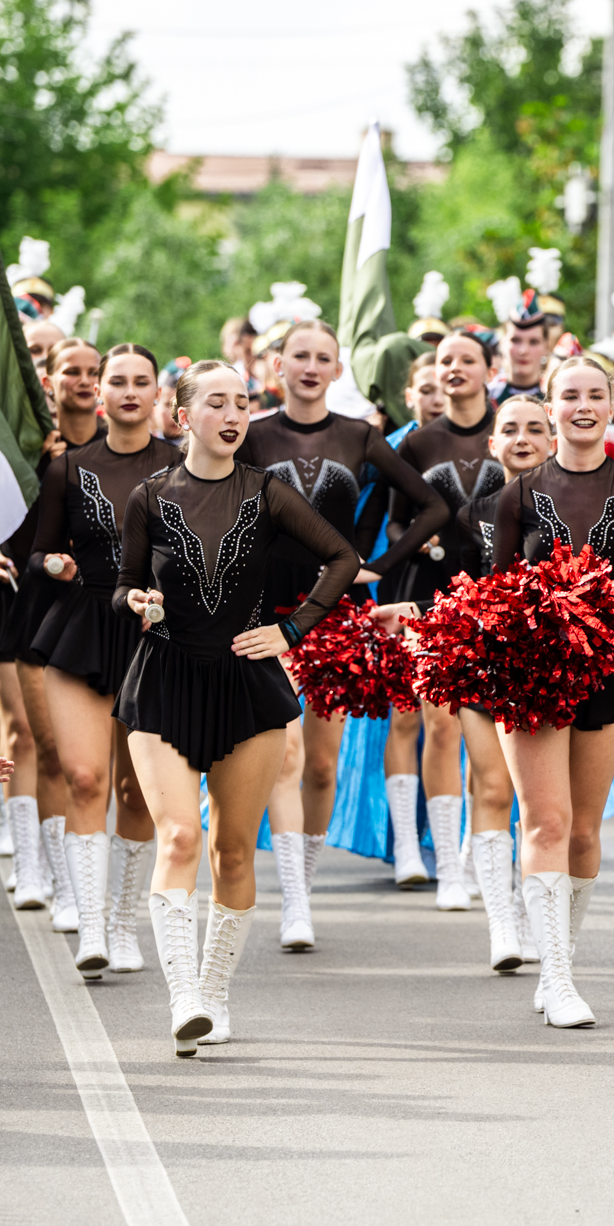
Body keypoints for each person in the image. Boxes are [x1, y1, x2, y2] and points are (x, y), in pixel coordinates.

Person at [114, 360, 361, 1055]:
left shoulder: (268, 492)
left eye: (242, 402)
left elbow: (342, 558)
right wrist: (136, 601)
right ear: (182, 416)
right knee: (178, 838)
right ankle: (183, 998)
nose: (232, 414)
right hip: (162, 680)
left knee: (230, 848)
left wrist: (292, 630)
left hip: (248, 685)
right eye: (216, 402)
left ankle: (215, 992)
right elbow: (123, 584)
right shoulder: (148, 497)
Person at [238, 321, 447, 948]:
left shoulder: (359, 436)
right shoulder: (252, 435)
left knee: (323, 766)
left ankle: (302, 884)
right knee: (286, 754)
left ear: (337, 369)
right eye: (299, 355)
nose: (310, 366)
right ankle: (294, 903)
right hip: (265, 612)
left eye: (322, 357)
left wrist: (376, 564)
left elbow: (433, 505)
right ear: (278, 365)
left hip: (334, 614)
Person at [480, 355, 614, 1027]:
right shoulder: (517, 494)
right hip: (528, 670)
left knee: (584, 831)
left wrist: (590, 614)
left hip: (608, 666)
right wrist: (542, 618)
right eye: (569, 396)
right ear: (550, 408)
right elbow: (497, 590)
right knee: (546, 821)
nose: (583, 406)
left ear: (611, 406)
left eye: (595, 395)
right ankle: (556, 977)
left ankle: (564, 953)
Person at [26, 344, 179, 979]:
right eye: (118, 381)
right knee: (85, 778)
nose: (128, 391)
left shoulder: (182, 464)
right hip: (84, 627)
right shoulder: (67, 467)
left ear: (158, 393)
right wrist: (53, 563)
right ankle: (91, 924)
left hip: (157, 635)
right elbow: (38, 553)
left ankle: (121, 922)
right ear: (102, 393)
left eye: (141, 381)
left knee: (137, 791)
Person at [375, 333, 505, 910]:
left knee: (487, 731)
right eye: (446, 360)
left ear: (489, 370)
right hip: (427, 595)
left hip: (496, 597)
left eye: (467, 360)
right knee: (436, 724)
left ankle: (477, 854)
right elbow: (395, 522)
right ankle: (437, 860)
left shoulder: (511, 429)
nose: (455, 368)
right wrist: (419, 543)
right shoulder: (417, 443)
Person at [0, 335, 105, 934]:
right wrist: (38, 466)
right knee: (54, 755)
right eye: (72, 371)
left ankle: (102, 898)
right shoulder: (31, 454)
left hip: (107, 618)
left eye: (94, 371)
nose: (84, 381)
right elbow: (19, 541)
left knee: (102, 771)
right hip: (41, 613)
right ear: (50, 381)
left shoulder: (123, 449)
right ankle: (66, 889)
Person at [488, 297, 552, 404]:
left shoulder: (554, 398)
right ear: (502, 343)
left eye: (533, 342)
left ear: (546, 347)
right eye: (515, 340)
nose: (523, 351)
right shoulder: (486, 396)